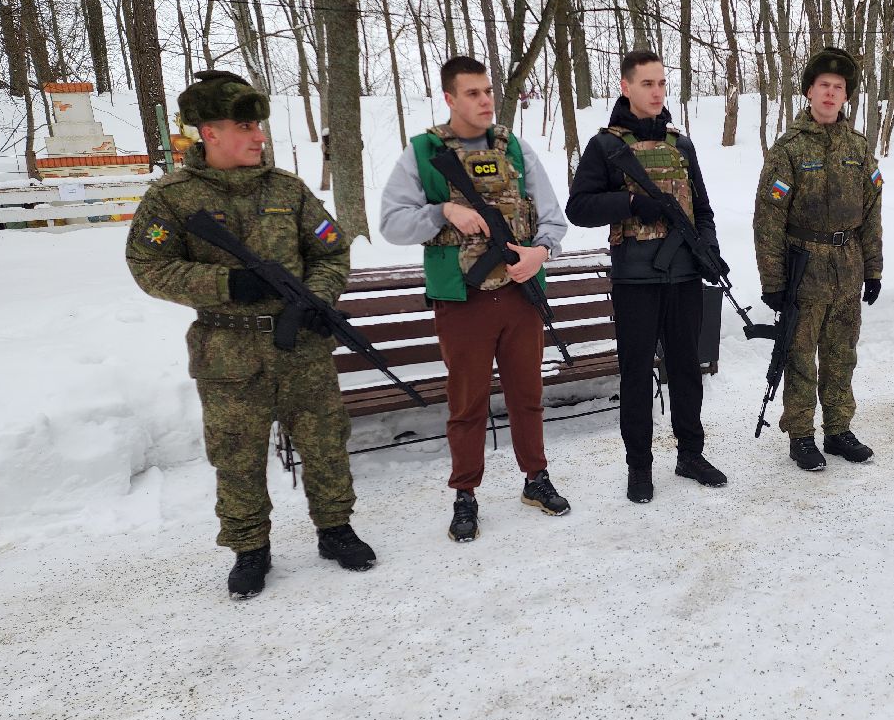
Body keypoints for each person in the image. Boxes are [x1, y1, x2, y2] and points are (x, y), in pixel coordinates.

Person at [125, 70, 376, 599]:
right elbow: (147, 265)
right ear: (208, 133)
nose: (259, 136)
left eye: (259, 125)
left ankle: (335, 530)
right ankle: (249, 548)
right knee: (236, 454)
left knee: (326, 441)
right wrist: (223, 282)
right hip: (227, 350)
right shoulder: (172, 198)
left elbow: (331, 250)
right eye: (245, 126)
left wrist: (319, 298)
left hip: (302, 345)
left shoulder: (288, 189)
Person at [379, 56, 571, 542]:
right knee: (467, 403)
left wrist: (539, 252)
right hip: (461, 300)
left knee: (528, 396)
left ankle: (536, 478)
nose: (485, 100)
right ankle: (465, 493)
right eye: (472, 93)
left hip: (520, 295)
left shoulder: (516, 149)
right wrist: (443, 211)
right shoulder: (423, 153)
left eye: (487, 91)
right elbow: (391, 223)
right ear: (449, 98)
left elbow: (552, 218)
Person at [565, 50, 727, 504]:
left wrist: (708, 250)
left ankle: (690, 454)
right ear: (626, 87)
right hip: (635, 280)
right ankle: (640, 466)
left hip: (683, 276)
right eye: (647, 84)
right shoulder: (605, 146)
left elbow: (703, 207)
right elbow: (578, 208)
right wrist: (632, 205)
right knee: (637, 375)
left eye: (661, 83)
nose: (657, 92)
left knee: (687, 370)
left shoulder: (681, 145)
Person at [753, 47, 884, 471]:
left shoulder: (859, 147)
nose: (830, 94)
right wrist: (772, 280)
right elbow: (768, 217)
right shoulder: (788, 148)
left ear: (846, 97)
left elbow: (872, 212)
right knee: (800, 354)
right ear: (809, 91)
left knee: (841, 354)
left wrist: (874, 268)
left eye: (839, 88)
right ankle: (801, 434)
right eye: (823, 86)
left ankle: (838, 429)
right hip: (803, 267)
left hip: (848, 266)